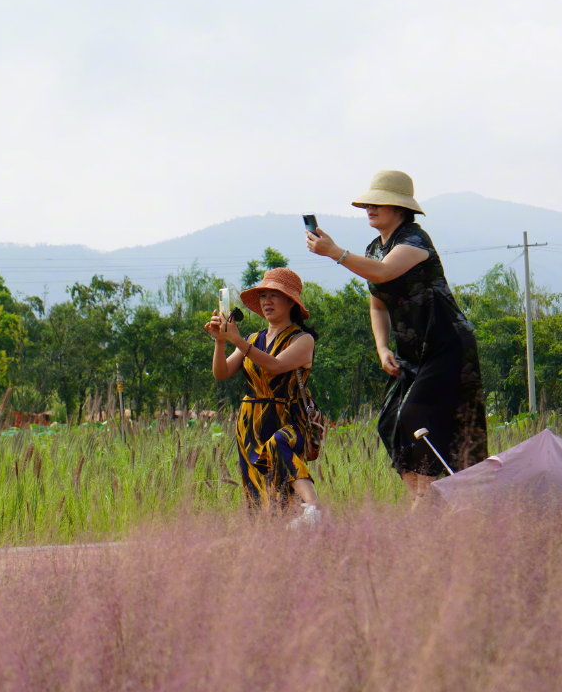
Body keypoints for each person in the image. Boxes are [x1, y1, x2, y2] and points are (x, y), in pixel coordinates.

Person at [304, 170, 488, 500]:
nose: (370, 209)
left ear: (399, 208)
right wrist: (381, 346)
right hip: (409, 350)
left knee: (416, 418)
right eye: (368, 204)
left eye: (378, 203)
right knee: (390, 422)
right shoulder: (374, 248)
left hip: (444, 343)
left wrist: (335, 253)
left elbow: (385, 272)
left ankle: (439, 495)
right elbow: (377, 305)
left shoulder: (415, 240)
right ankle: (423, 497)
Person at [206, 268, 325, 525]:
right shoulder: (253, 339)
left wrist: (238, 341)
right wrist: (220, 342)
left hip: (288, 416)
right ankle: (283, 535)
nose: (267, 302)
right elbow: (222, 372)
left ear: (291, 302)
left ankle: (313, 507)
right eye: (263, 296)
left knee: (279, 444)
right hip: (250, 422)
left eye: (275, 296)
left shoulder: (302, 340)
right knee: (260, 492)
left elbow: (275, 365)